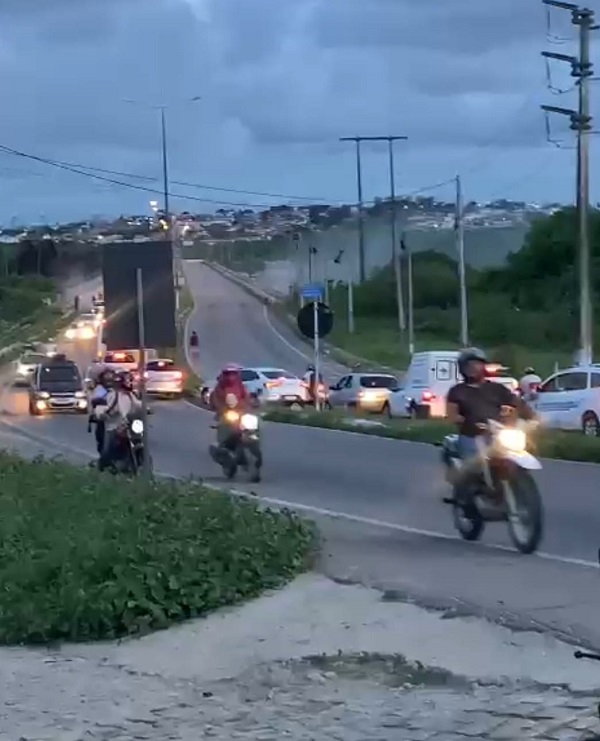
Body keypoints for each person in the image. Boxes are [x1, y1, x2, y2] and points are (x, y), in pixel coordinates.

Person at [446, 347, 535, 462]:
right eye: (468, 365)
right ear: (462, 368)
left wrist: (533, 418)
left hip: (498, 434)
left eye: (476, 364)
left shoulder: (497, 388)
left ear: (483, 366)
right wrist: (463, 420)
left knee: (516, 457)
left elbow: (517, 402)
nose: (472, 368)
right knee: (471, 466)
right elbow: (452, 414)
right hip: (472, 435)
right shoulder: (457, 391)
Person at [97, 370, 141, 471]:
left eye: (130, 381)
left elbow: (138, 405)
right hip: (114, 426)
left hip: (128, 425)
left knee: (138, 438)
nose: (129, 383)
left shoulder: (130, 395)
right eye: (127, 381)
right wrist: (102, 414)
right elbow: (104, 407)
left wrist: (146, 409)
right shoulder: (113, 395)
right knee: (108, 450)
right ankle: (103, 468)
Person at [209, 364, 249, 450]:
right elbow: (215, 398)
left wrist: (247, 405)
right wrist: (220, 408)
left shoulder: (240, 385)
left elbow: (246, 396)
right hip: (225, 411)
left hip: (239, 410)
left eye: (233, 373)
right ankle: (222, 442)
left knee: (251, 424)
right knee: (222, 424)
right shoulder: (220, 386)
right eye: (228, 374)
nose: (231, 376)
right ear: (224, 374)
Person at [88, 367, 114, 454]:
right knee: (103, 440)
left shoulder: (118, 390)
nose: (109, 378)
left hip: (119, 418)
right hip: (105, 419)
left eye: (111, 376)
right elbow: (95, 401)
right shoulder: (99, 389)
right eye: (106, 376)